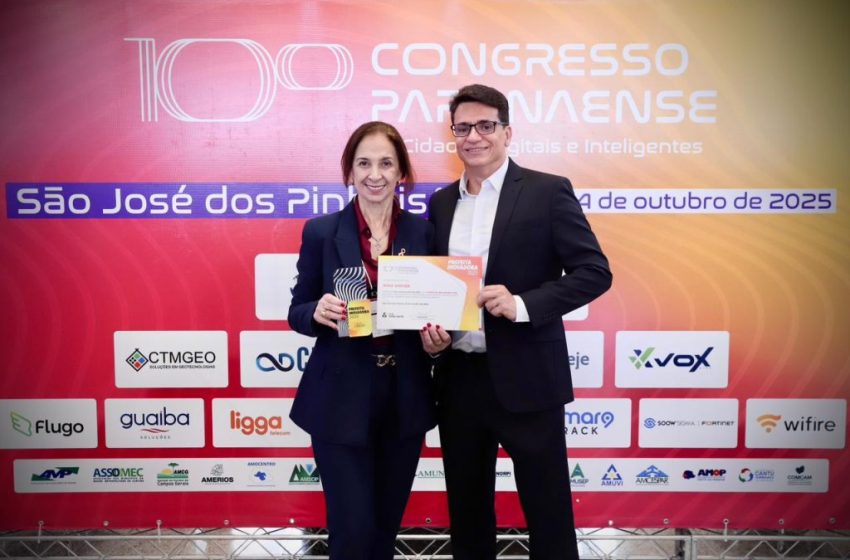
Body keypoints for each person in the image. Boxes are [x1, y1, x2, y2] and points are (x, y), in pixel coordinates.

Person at [428, 84, 612, 560]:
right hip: (459, 380)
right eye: (463, 127)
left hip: (530, 379)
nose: (473, 136)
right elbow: (436, 287)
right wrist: (433, 334)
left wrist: (523, 304)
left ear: (507, 133)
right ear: (453, 135)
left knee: (548, 515)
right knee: (467, 515)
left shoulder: (547, 191)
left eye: (485, 125)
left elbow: (594, 272)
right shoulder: (440, 204)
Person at [288, 121, 451, 559]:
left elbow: (441, 311)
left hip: (405, 396)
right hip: (339, 398)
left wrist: (439, 341)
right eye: (364, 163)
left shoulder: (424, 234)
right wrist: (316, 312)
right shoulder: (321, 232)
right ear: (349, 171)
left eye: (385, 164)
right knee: (352, 529)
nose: (374, 174)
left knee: (384, 528)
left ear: (401, 173)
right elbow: (297, 311)